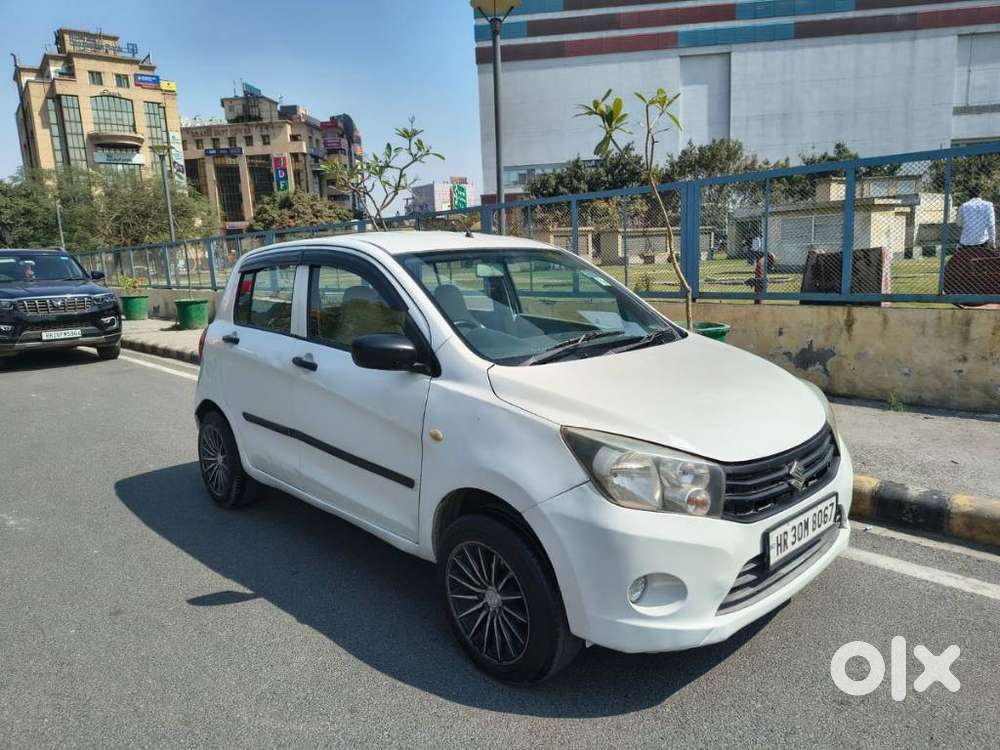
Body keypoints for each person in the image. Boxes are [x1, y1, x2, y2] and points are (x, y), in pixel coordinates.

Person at [957, 186, 996, 250]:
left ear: (969, 195)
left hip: (966, 241)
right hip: (982, 241)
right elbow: (991, 225)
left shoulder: (963, 206)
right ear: (980, 194)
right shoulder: (988, 205)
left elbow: (959, 224)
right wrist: (992, 242)